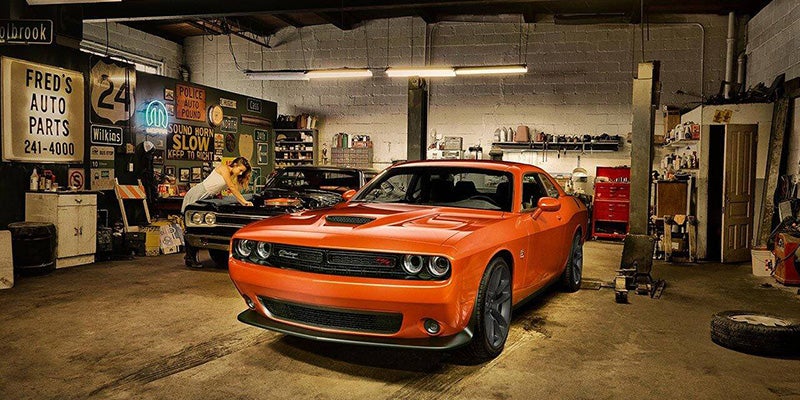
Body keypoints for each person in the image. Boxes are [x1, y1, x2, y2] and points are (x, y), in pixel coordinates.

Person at [182, 157, 253, 268]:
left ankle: (190, 257)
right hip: (198, 193)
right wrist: (244, 201)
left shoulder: (232, 174)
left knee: (199, 227)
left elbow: (218, 186)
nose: (241, 173)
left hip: (207, 197)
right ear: (234, 165)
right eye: (240, 170)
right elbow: (231, 187)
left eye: (243, 171)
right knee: (192, 226)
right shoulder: (224, 168)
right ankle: (190, 258)